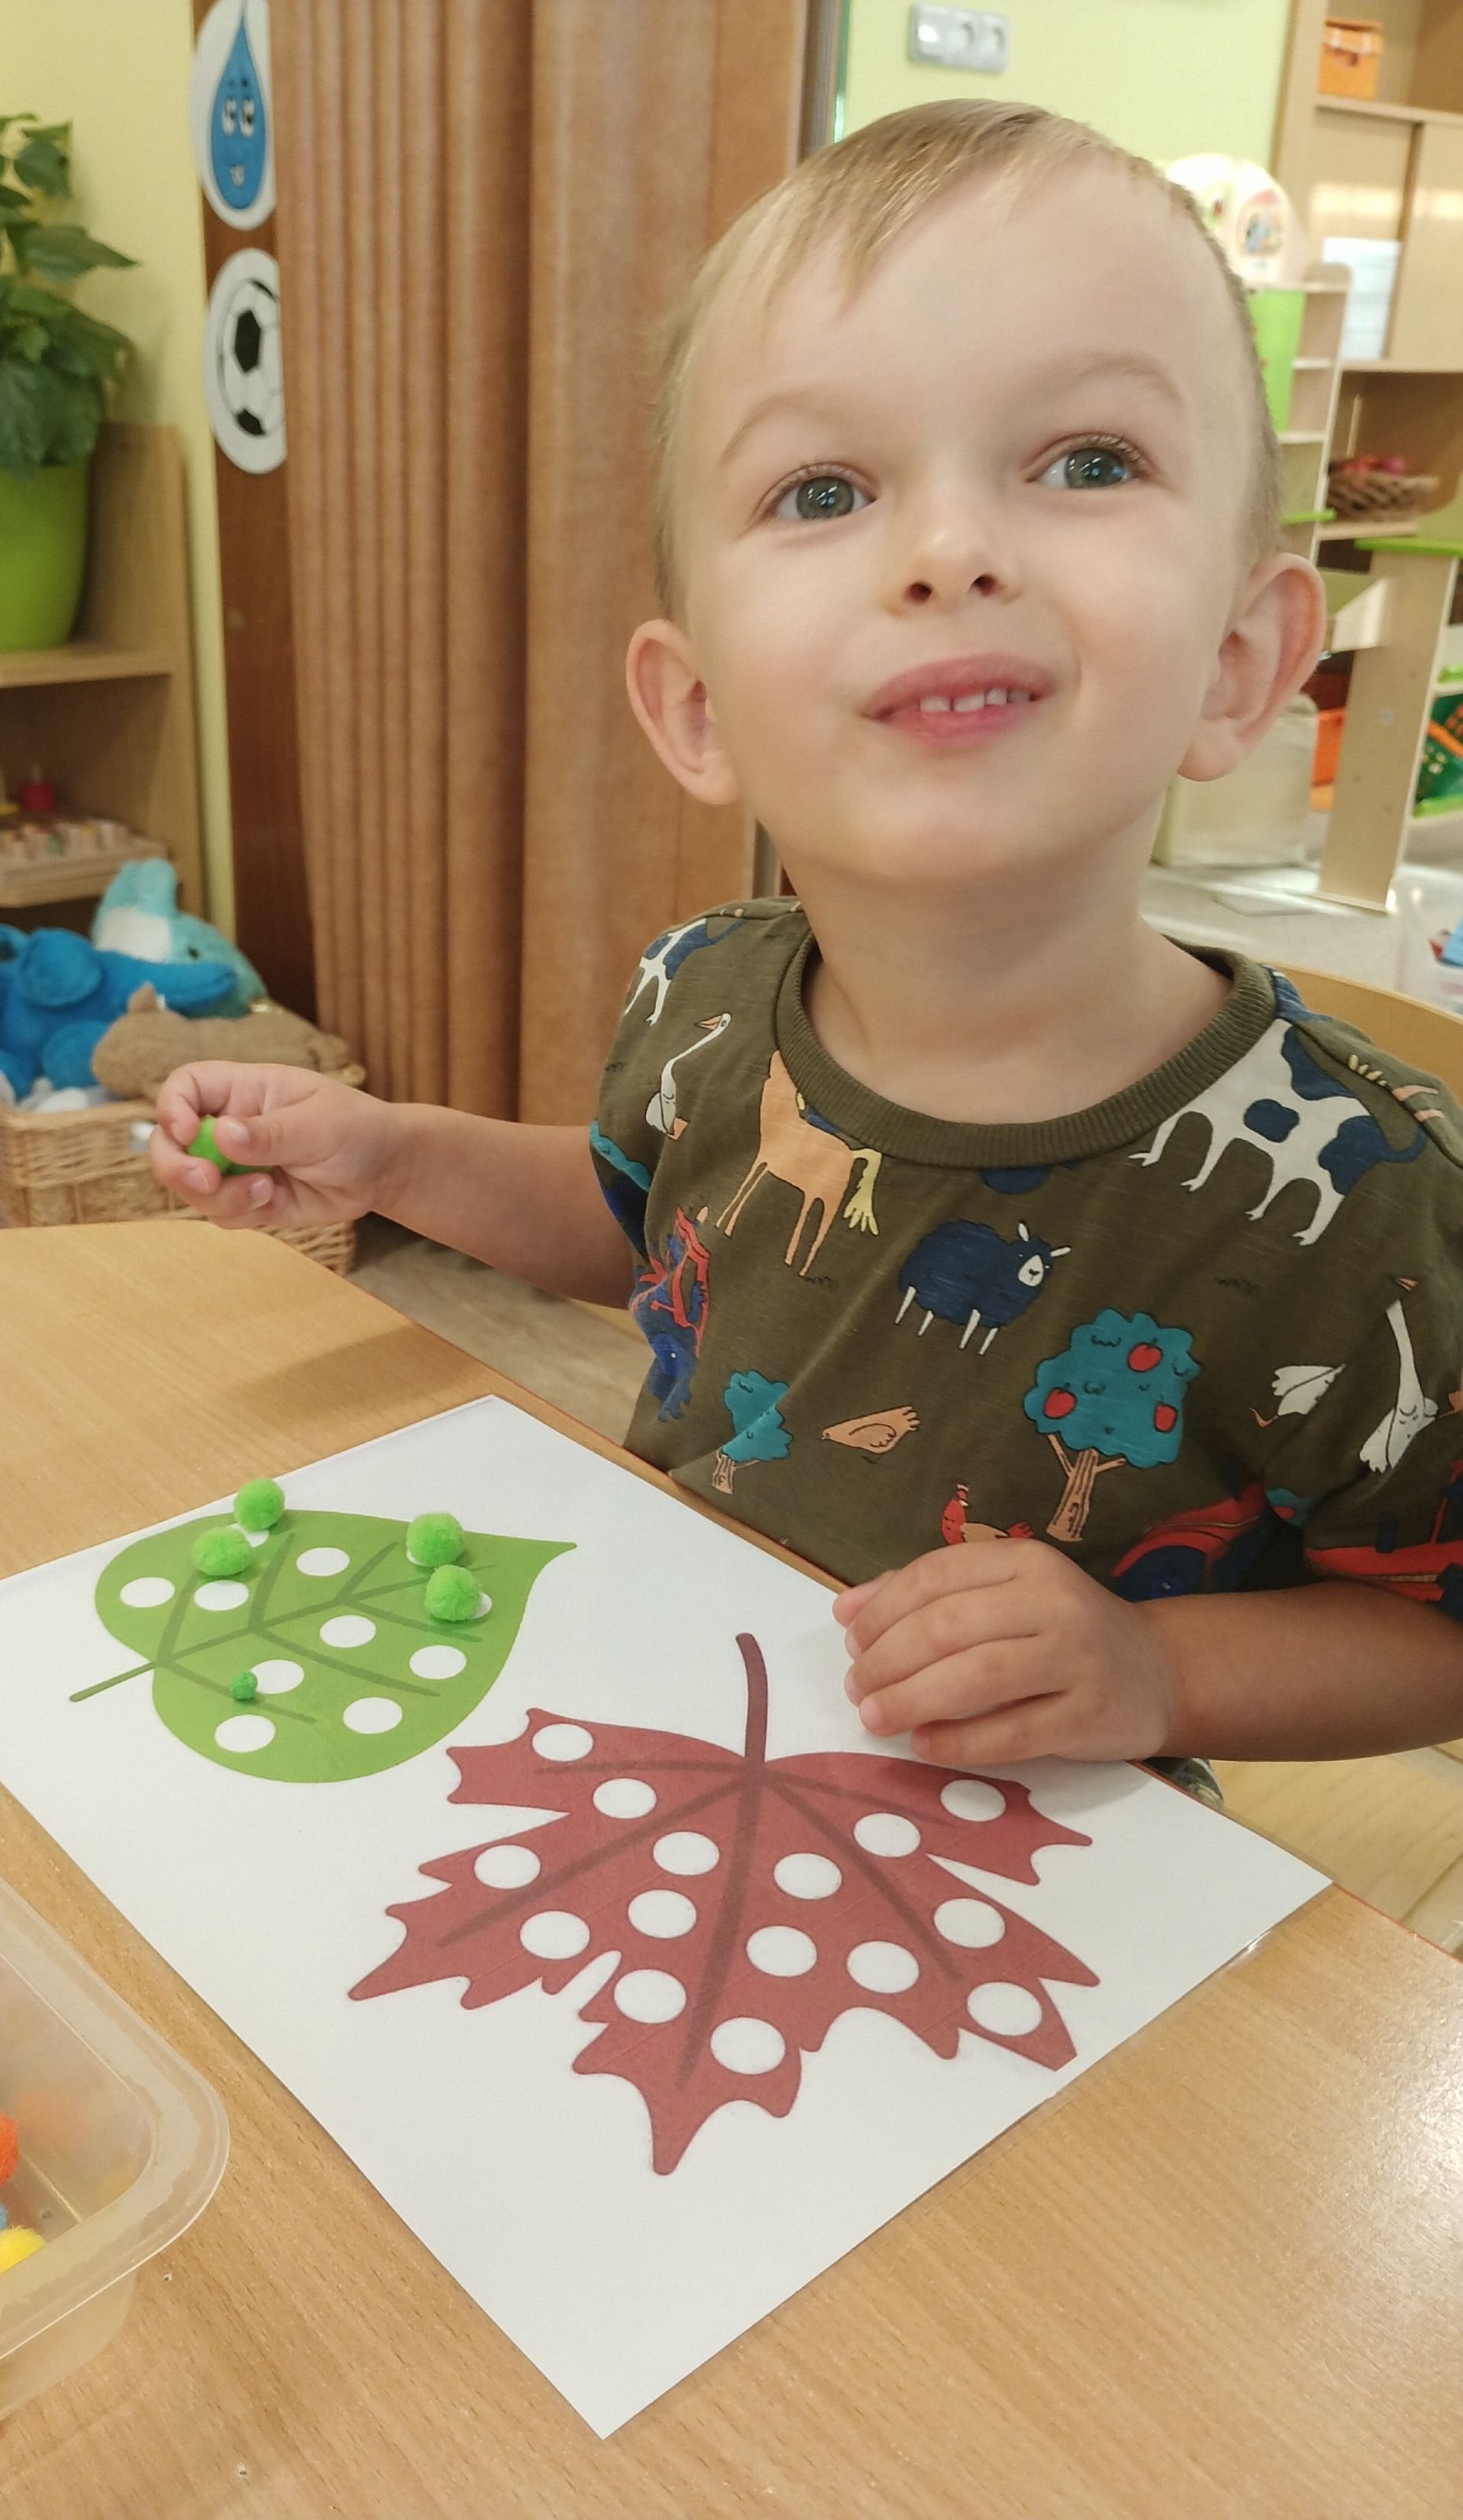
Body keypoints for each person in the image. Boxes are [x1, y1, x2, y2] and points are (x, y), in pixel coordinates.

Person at [152, 99, 1463, 1777]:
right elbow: (646, 1226)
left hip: (1053, 1876)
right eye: (824, 487)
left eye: (1086, 461)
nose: (948, 553)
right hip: (680, 1733)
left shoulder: (1368, 1199)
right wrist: (393, 1155)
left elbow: (1436, 1633)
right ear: (696, 708)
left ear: (1238, 662)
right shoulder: (702, 991)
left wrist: (1157, 1671)